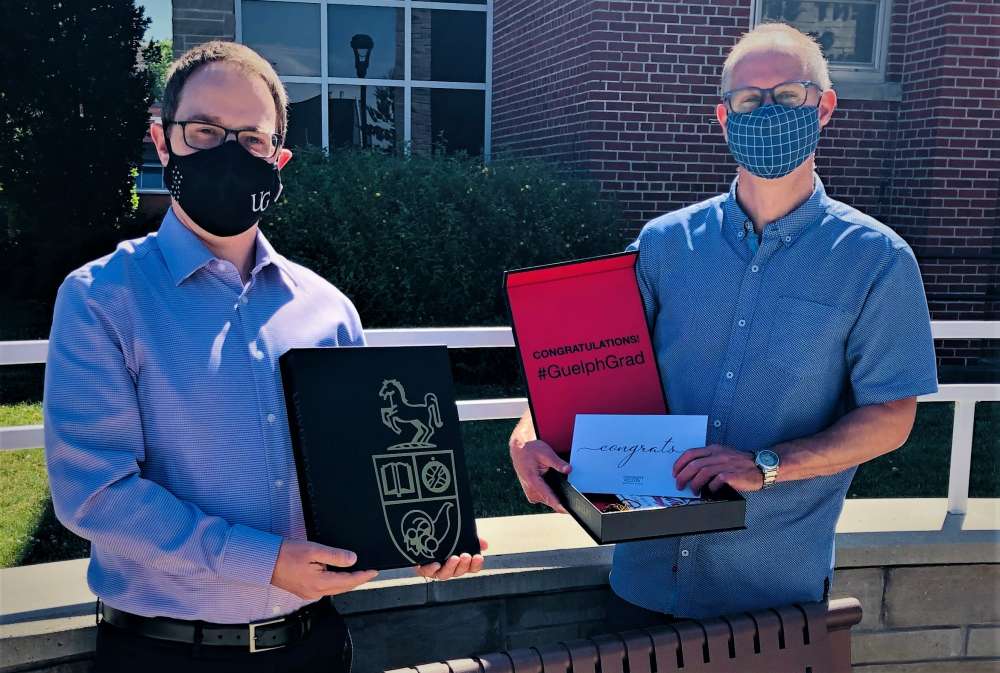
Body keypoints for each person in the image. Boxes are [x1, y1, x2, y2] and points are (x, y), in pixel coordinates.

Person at [44, 41, 486, 673]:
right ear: (162, 141)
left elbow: (362, 475)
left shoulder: (328, 309)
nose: (228, 152)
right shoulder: (102, 299)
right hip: (168, 654)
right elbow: (96, 495)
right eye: (203, 131)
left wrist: (426, 533)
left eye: (251, 139)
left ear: (279, 158)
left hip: (313, 645)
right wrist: (266, 560)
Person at [508, 23, 937, 627]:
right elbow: (588, 360)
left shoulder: (877, 261)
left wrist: (765, 464)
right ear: (723, 115)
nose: (767, 112)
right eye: (748, 99)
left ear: (824, 108)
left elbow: (891, 418)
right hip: (643, 580)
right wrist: (528, 431)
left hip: (771, 595)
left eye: (788, 95)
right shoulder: (664, 244)